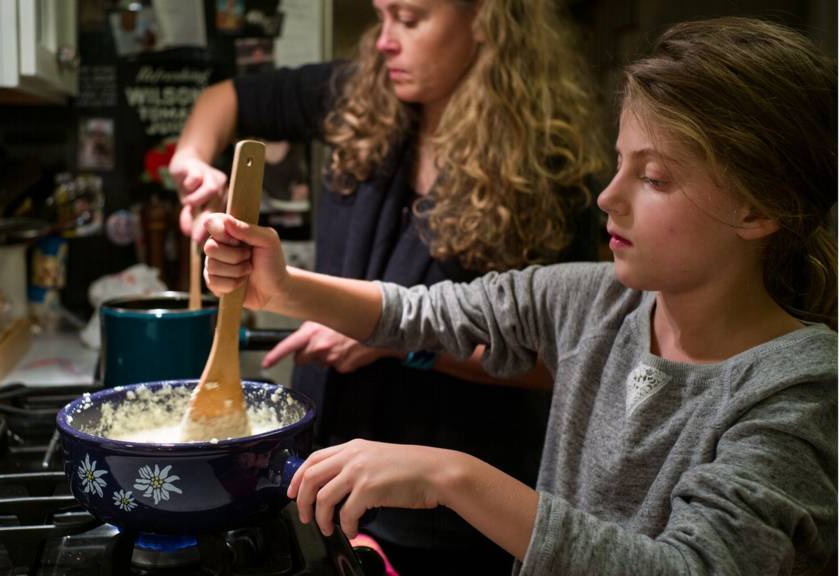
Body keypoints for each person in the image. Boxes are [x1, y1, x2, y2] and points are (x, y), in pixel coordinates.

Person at [199, 17, 838, 575]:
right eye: (618, 164)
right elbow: (419, 313)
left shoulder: (801, 388)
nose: (608, 197)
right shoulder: (593, 302)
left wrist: (451, 476)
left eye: (653, 177)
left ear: (758, 209)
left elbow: (689, 566)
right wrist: (280, 285)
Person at [170, 1, 605, 571]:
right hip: (320, 468)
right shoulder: (362, 92)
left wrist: (399, 343)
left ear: (485, 20)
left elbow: (556, 365)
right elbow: (224, 100)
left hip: (448, 506)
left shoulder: (549, 170)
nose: (384, 42)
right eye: (383, 16)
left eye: (411, 18)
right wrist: (193, 162)